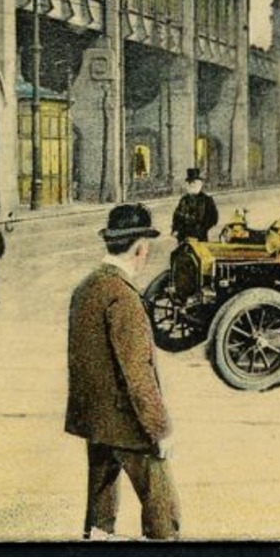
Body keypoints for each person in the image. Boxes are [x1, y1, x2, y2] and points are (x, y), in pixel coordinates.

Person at [65, 203, 178, 540]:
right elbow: (138, 373)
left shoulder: (85, 289)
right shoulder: (124, 297)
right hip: (128, 423)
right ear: (140, 249)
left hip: (94, 421)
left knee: (100, 514)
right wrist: (160, 429)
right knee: (162, 508)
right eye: (147, 250)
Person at [170, 168, 219, 244]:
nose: (192, 185)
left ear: (200, 184)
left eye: (194, 182)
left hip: (199, 237)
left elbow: (213, 218)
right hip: (183, 237)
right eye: (189, 182)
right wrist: (175, 229)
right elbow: (176, 216)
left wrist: (202, 229)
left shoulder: (207, 200)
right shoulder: (183, 200)